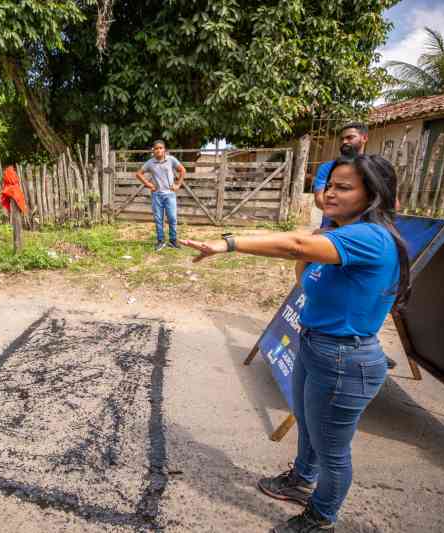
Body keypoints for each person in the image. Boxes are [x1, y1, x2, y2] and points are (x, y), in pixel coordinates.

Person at [180, 154, 410, 533]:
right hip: (317, 346)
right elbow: (307, 281)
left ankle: (321, 517)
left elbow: (294, 248)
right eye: (330, 185)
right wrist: (314, 242)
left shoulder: (368, 237)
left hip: (344, 359)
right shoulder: (339, 234)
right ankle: (301, 480)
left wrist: (229, 244)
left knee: (333, 451)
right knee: (307, 423)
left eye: (344, 187)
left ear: (372, 194)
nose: (330, 194)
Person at [313, 123, 398, 370]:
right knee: (320, 287)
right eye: (331, 185)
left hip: (357, 241)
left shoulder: (376, 168)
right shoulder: (329, 168)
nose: (345, 141)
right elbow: (321, 199)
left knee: (361, 299)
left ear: (364, 138)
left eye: (344, 187)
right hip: (331, 238)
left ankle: (359, 345)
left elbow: (393, 204)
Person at [135, 140, 186, 251]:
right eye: (156, 148)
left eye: (161, 148)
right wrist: (149, 185)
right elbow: (138, 174)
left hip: (170, 194)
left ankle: (173, 241)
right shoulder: (150, 163)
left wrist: (178, 185)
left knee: (172, 218)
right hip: (156, 195)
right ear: (153, 150)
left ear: (164, 150)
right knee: (159, 219)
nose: (158, 150)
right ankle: (160, 241)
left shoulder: (171, 160)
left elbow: (182, 170)